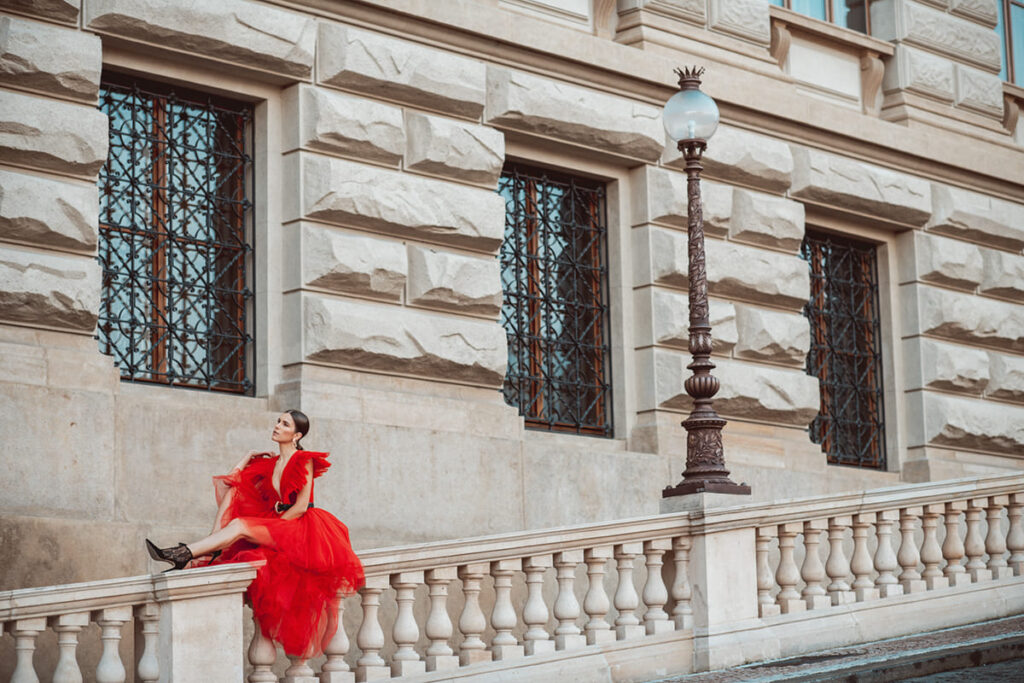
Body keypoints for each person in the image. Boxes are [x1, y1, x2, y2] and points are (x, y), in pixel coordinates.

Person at [146, 410, 365, 659]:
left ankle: (185, 554)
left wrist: (276, 528)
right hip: (279, 522)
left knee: (239, 526)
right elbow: (233, 483)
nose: (277, 426)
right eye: (278, 421)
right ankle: (202, 550)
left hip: (300, 525)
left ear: (297, 435)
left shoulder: (304, 459)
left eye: (285, 424)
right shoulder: (271, 463)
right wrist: (247, 457)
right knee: (236, 504)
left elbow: (302, 506)